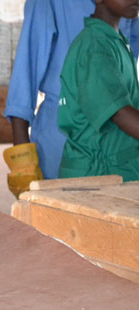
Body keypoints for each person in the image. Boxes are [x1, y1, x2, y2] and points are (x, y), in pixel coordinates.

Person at [3, 0, 139, 194]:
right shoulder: (90, 44)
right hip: (68, 136)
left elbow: (125, 81)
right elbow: (26, 70)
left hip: (115, 145)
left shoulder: (120, 24)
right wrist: (23, 160)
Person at [57, 0, 139, 180]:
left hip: (116, 171)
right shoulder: (94, 47)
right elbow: (120, 113)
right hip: (97, 176)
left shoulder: (115, 41)